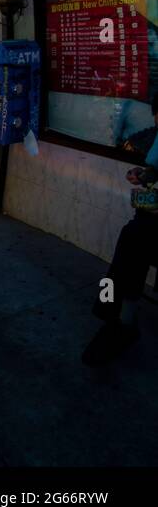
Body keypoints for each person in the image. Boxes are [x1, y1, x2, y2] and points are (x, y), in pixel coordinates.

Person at [83, 95, 158, 366]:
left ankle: (120, 318)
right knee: (132, 239)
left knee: (134, 240)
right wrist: (145, 174)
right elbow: (155, 169)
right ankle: (120, 316)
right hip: (149, 217)